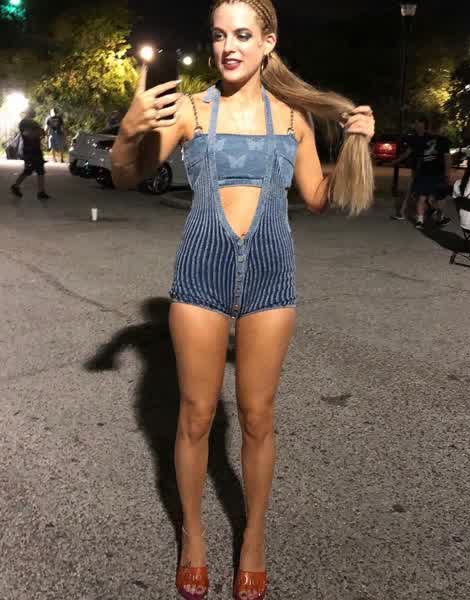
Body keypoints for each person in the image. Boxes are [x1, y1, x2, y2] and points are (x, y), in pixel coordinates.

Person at [111, 1, 375, 598]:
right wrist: (129, 131)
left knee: (258, 416)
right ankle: (194, 536)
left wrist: (355, 146)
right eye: (219, 35)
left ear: (268, 41)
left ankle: (253, 537)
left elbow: (317, 196)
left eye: (242, 34)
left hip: (270, 276)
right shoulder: (191, 112)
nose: (228, 46)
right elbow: (127, 177)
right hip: (201, 273)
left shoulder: (293, 119)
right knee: (196, 414)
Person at [392, 116, 452, 228]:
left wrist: (396, 161)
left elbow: (410, 152)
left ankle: (423, 218)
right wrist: (447, 174)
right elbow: (447, 159)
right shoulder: (440, 141)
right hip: (430, 172)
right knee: (433, 197)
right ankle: (434, 215)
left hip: (426, 172)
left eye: (418, 124)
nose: (416, 126)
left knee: (423, 196)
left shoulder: (423, 139)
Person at [11, 108, 50, 201]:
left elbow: (41, 133)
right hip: (30, 150)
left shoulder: (31, 122)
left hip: (34, 149)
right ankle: (39, 192)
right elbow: (29, 134)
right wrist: (37, 133)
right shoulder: (25, 123)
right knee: (33, 170)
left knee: (35, 170)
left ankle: (39, 191)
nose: (34, 114)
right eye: (33, 112)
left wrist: (38, 133)